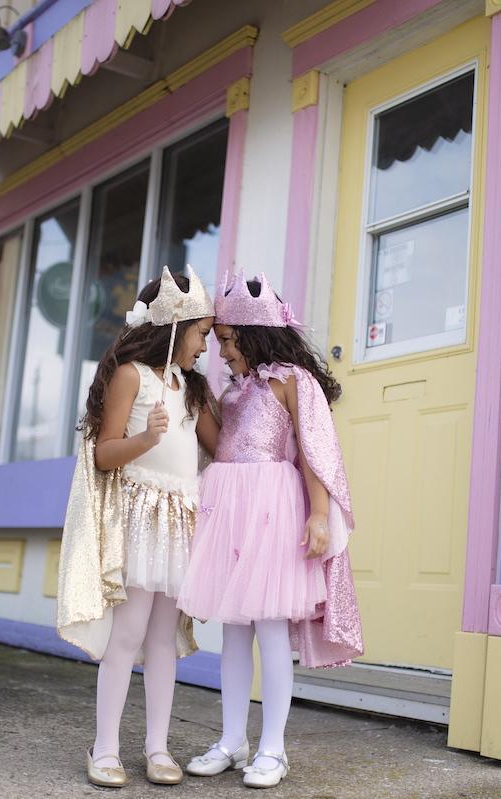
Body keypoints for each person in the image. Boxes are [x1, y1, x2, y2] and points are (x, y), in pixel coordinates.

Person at [177, 271, 364, 789]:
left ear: (255, 335)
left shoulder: (292, 381)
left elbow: (314, 453)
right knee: (235, 629)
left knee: (271, 628)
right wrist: (192, 397)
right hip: (229, 508)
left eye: (229, 342)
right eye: (217, 344)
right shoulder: (234, 390)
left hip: (273, 511)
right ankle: (232, 738)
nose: (223, 353)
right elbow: (220, 447)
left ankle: (273, 748)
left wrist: (319, 514)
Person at [56, 266, 218, 788]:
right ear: (174, 324)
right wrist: (146, 439)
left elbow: (222, 446)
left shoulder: (191, 389)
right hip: (143, 519)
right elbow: (104, 454)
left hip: (180, 522)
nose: (204, 347)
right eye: (201, 335)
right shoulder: (134, 376)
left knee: (164, 640)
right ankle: (104, 748)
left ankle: (158, 747)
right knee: (128, 635)